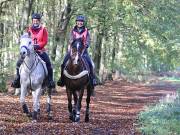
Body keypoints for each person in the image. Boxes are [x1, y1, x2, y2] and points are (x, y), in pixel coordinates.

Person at [11, 13, 55, 88]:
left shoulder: (43, 29)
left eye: (37, 20)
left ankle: (50, 80)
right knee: (18, 63)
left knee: (48, 63)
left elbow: (45, 41)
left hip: (40, 50)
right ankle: (17, 79)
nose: (35, 22)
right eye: (34, 20)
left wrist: (37, 46)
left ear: (39, 21)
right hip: (29, 51)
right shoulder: (29, 29)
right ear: (32, 21)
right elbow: (25, 38)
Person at [57, 15, 97, 90]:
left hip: (83, 51)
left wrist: (87, 44)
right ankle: (62, 79)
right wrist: (72, 41)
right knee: (63, 63)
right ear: (76, 22)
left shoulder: (86, 31)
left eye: (81, 22)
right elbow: (70, 38)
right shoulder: (72, 30)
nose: (80, 23)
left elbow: (88, 39)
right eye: (78, 21)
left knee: (91, 64)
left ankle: (92, 79)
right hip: (73, 51)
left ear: (83, 23)